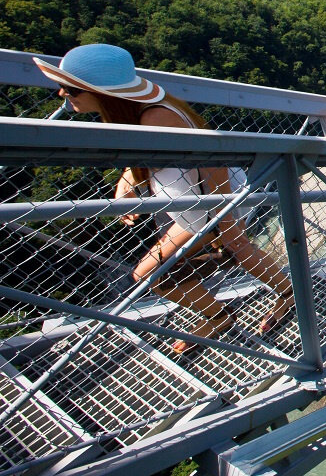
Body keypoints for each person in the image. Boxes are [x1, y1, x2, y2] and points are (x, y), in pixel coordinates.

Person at [35, 43, 294, 354]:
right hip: (196, 209)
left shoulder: (156, 117)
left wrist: (224, 219)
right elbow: (150, 157)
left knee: (160, 272)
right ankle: (230, 305)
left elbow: (214, 160)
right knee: (167, 270)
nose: (63, 95)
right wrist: (127, 182)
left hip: (210, 205)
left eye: (70, 89)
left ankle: (247, 306)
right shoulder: (140, 113)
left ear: (101, 92)